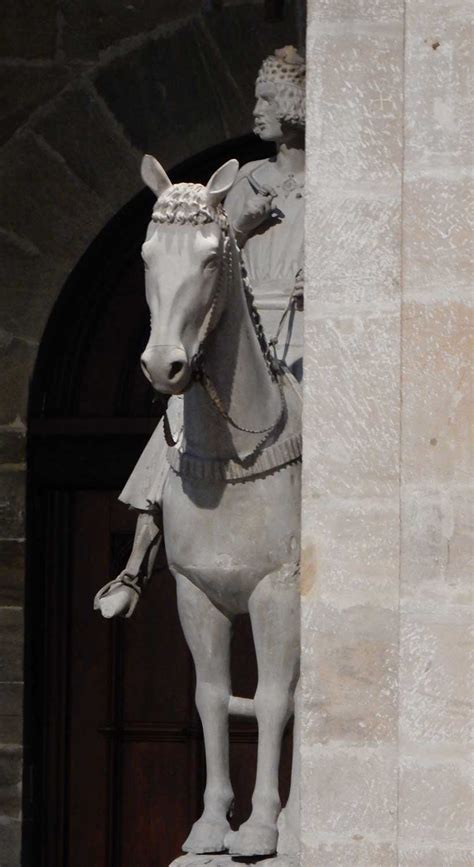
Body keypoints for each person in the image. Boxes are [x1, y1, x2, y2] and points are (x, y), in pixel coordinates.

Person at [94, 45, 305, 619]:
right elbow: (207, 252)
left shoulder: (332, 184)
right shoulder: (246, 183)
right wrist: (243, 220)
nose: (256, 109)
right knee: (183, 416)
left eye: (266, 97)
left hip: (310, 330)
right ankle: (137, 560)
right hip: (244, 325)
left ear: (294, 102)